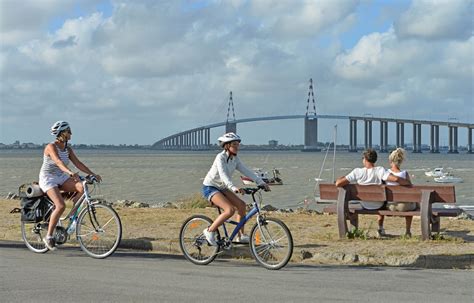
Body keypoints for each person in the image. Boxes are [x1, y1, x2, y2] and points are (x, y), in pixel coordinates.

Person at [39, 121, 102, 251]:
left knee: (81, 187)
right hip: (48, 178)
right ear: (61, 133)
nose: (71, 133)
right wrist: (69, 172)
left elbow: (78, 163)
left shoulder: (67, 149)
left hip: (61, 177)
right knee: (60, 205)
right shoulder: (51, 147)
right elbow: (58, 162)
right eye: (68, 131)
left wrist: (92, 174)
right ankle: (49, 237)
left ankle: (73, 217)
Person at [202, 132, 270, 246]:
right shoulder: (220, 157)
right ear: (227, 145)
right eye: (234, 144)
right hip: (210, 187)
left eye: (238, 144)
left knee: (242, 206)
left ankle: (240, 236)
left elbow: (246, 171)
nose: (237, 147)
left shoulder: (235, 159)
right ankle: (209, 231)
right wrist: (233, 187)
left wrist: (261, 182)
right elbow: (223, 175)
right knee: (229, 210)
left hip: (223, 187)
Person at [335, 148, 411, 236]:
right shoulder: (380, 170)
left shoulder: (357, 172)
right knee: (383, 201)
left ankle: (355, 231)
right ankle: (380, 228)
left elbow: (338, 183)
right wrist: (407, 182)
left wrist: (340, 178)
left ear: (365, 159)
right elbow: (396, 179)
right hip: (378, 205)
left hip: (365, 205)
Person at [385, 148, 416, 237]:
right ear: (401, 161)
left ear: (390, 161)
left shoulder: (386, 173)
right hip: (403, 207)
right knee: (414, 203)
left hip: (389, 206)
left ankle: (380, 227)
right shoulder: (404, 174)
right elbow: (411, 189)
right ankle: (407, 231)